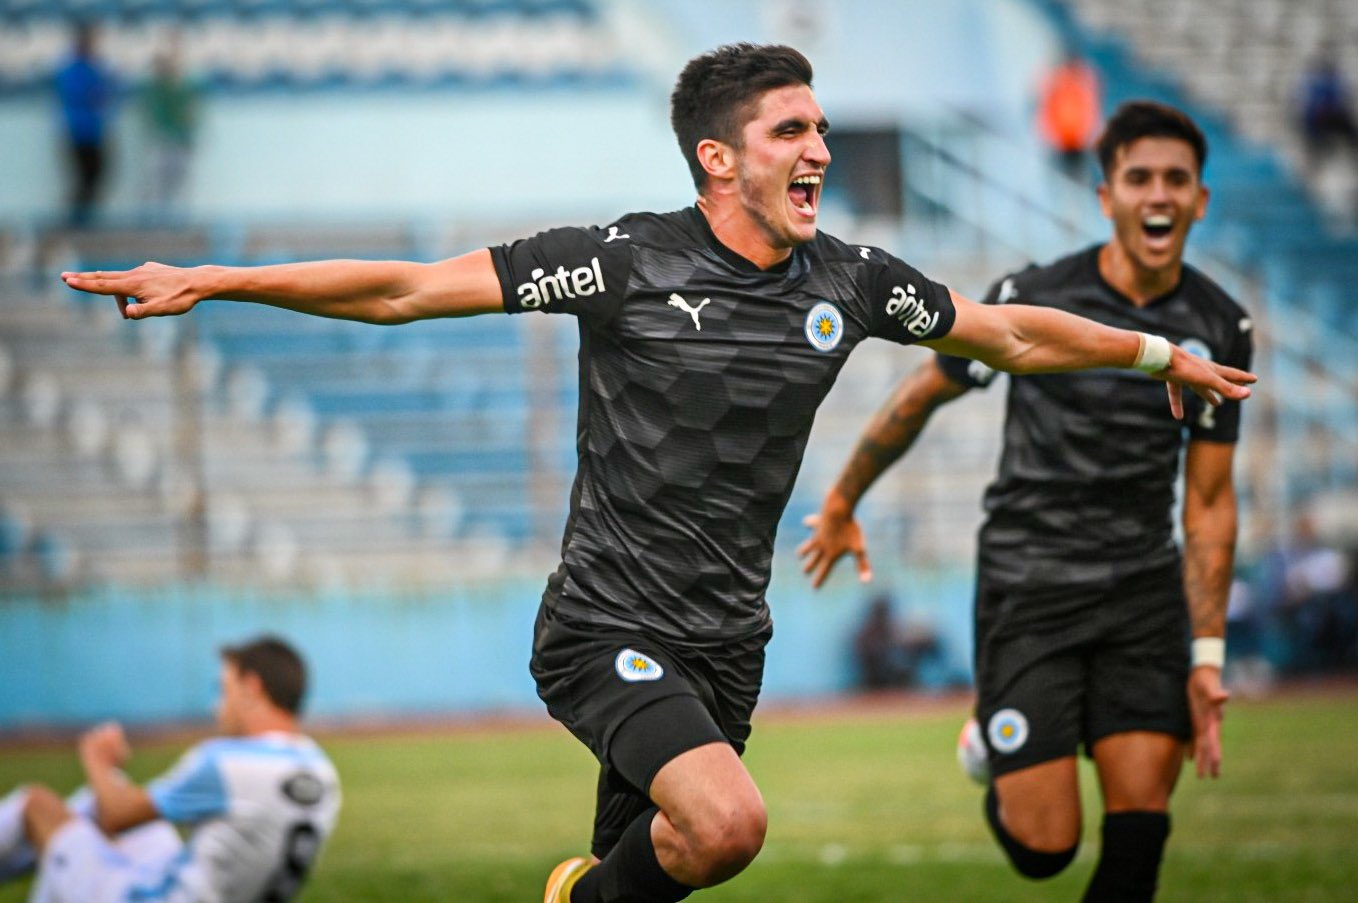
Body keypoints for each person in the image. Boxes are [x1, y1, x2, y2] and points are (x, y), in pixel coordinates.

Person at [60, 47, 1254, 903]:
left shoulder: (849, 280)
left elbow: (1010, 336)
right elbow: (407, 289)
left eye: (820, 131)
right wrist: (218, 279)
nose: (819, 153)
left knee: (668, 869)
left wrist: (1162, 355)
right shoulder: (619, 261)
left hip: (728, 637)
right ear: (716, 157)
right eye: (792, 133)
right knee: (727, 825)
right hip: (601, 625)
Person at [800, 100, 1252, 902]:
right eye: (1138, 177)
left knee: (1139, 836)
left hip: (1143, 591)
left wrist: (1208, 656)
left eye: (1176, 180)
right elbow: (918, 397)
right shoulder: (1036, 296)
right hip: (1030, 585)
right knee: (1046, 849)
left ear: (1200, 199)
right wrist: (841, 499)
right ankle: (1000, 743)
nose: (1158, 195)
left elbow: (1210, 500)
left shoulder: (1223, 324)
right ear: (1105, 195)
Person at [0, 636, 341, 902]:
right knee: (93, 813)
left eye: (224, 690)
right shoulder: (323, 773)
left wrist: (97, 760)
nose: (217, 707)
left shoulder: (225, 762)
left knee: (38, 805)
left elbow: (116, 815)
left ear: (252, 687)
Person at [54, 23, 118, 227]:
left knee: (95, 176)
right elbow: (91, 96)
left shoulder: (91, 69)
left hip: (91, 130)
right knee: (86, 176)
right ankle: (77, 221)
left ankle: (83, 219)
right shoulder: (74, 70)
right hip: (80, 131)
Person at [140, 46, 200, 222]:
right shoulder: (155, 90)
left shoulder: (186, 88)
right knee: (157, 184)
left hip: (181, 141)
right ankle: (154, 220)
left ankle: (180, 220)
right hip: (163, 141)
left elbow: (191, 117)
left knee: (181, 183)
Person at [1036, 46, 1102, 183]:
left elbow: (1091, 109)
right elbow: (1047, 106)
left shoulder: (1080, 80)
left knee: (1074, 179)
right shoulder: (1064, 80)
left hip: (1075, 141)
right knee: (1064, 180)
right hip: (1063, 141)